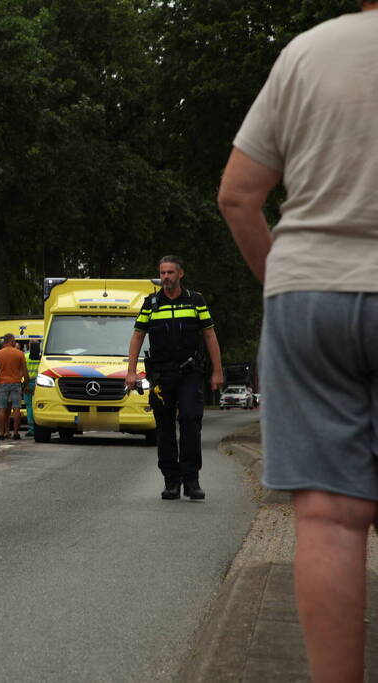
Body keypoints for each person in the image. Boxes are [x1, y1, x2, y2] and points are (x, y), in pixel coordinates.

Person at [217, 4, 378, 678]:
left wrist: (283, 280)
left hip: (309, 295)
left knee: (330, 519)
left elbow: (237, 195)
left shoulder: (307, 53)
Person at [125, 257, 223, 500]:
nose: (165, 277)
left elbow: (209, 335)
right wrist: (131, 371)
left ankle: (192, 480)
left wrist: (217, 371)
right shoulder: (151, 304)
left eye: (170, 273)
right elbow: (138, 336)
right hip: (161, 374)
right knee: (164, 426)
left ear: (181, 274)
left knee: (191, 421)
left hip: (189, 372)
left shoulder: (195, 300)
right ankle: (171, 481)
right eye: (162, 273)